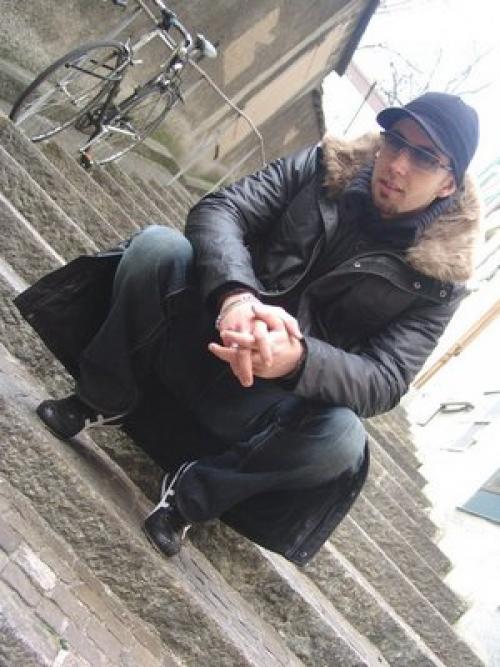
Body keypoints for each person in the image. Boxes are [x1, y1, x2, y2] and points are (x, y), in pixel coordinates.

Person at [19, 91, 481, 565]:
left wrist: (297, 360)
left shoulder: (438, 283)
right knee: (158, 247)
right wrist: (236, 295)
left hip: (263, 402)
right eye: (395, 141)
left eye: (424, 157)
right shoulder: (323, 166)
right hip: (204, 331)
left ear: (448, 183)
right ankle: (101, 397)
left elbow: (385, 379)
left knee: (344, 441)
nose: (399, 164)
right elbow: (222, 209)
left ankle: (189, 498)